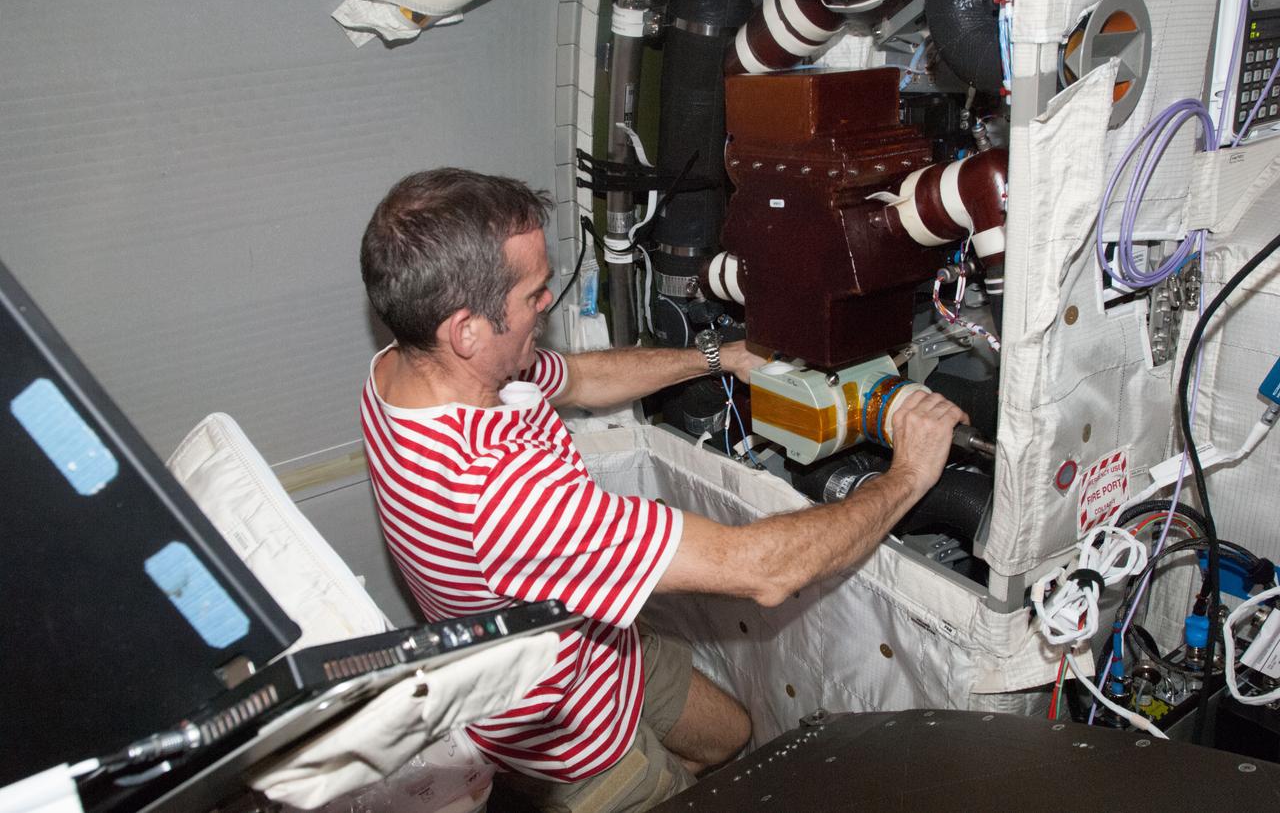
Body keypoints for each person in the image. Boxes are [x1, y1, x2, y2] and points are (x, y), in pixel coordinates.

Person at [359, 168, 967, 812]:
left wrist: (718, 357)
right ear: (466, 329)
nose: (549, 304)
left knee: (728, 735)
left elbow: (577, 378)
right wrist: (909, 475)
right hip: (575, 746)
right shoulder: (497, 491)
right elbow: (763, 570)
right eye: (534, 293)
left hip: (595, 652)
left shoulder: (405, 369)